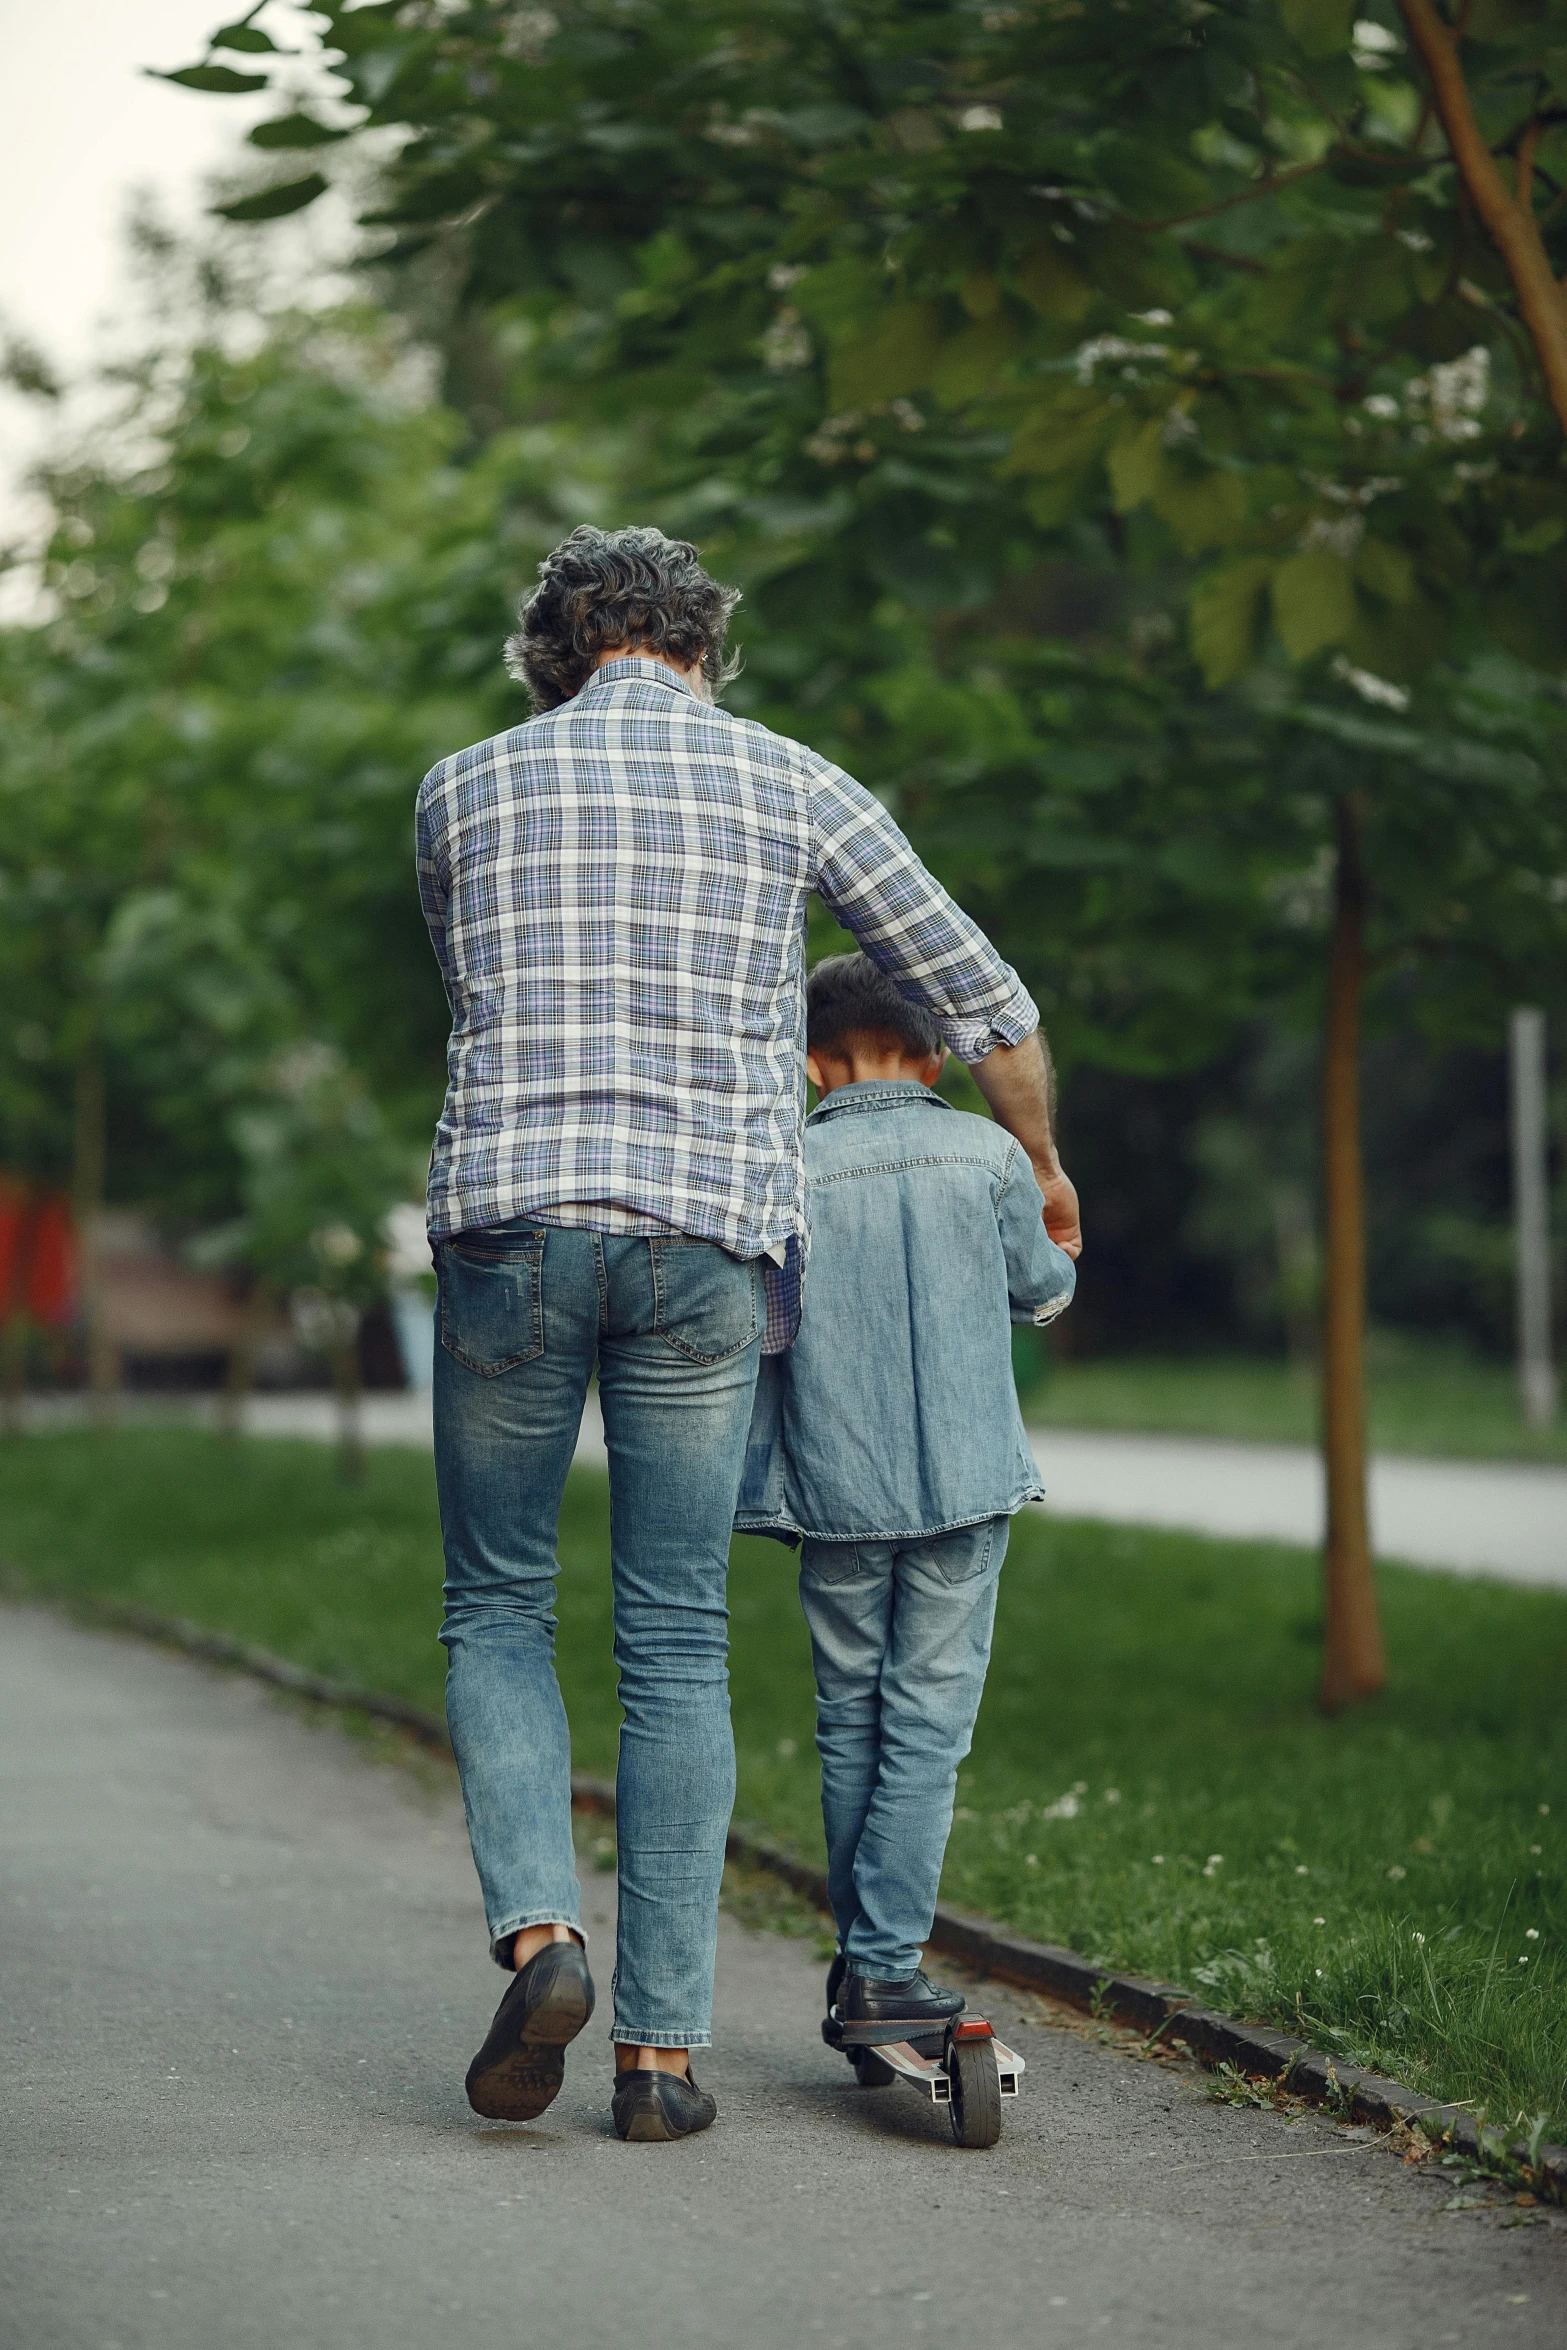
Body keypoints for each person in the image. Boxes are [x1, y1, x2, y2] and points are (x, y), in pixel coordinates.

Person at [415, 525, 1080, 2143]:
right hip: (707, 1246)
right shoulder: (797, 783)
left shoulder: (461, 789)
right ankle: (657, 2061)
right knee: (675, 1633)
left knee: (501, 1602)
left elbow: (472, 991)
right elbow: (984, 1000)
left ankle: (540, 1935)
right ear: (702, 646)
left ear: (556, 657)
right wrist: (1042, 1169)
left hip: (514, 1230)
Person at [735, 953, 1076, 2044]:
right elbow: (1040, 1286)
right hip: (965, 1485)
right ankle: (882, 1965)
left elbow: (758, 1322)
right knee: (925, 1728)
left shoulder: (780, 1168)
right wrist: (1059, 1246)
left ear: (808, 1065)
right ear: (935, 1056)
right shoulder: (987, 1155)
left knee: (852, 1724)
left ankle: (863, 1966)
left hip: (832, 1483)